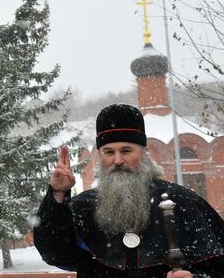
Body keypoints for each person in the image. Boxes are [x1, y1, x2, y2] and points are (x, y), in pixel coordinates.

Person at [34, 104, 224, 277]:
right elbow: (54, 254)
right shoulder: (83, 207)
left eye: (126, 151)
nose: (117, 160)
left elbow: (218, 267)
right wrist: (57, 194)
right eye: (109, 152)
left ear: (144, 152)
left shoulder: (182, 201)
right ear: (100, 156)